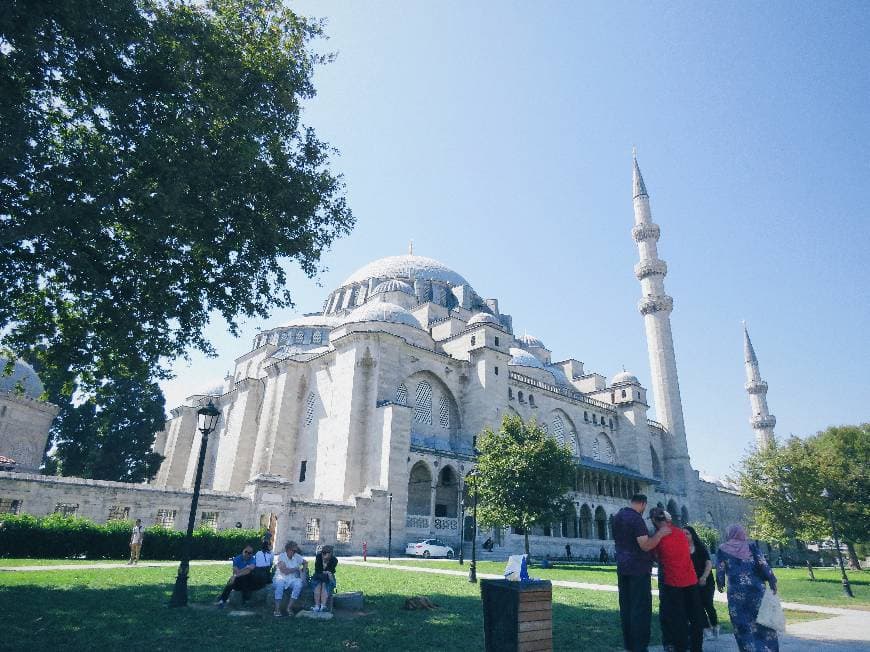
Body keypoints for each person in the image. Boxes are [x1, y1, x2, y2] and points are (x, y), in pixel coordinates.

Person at [612, 494, 672, 652]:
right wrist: (660, 534)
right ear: (643, 504)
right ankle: (639, 647)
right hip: (638, 569)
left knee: (626, 607)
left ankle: (629, 646)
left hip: (622, 568)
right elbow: (645, 545)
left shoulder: (618, 516)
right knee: (640, 608)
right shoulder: (636, 519)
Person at [716, 525, 779, 652]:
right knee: (763, 622)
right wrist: (772, 580)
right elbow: (763, 564)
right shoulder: (751, 546)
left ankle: (748, 649)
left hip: (736, 592)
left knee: (742, 624)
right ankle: (767, 649)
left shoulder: (723, 549)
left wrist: (720, 582)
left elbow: (720, 568)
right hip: (756, 589)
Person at [649, 508, 704, 652]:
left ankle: (680, 647)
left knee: (678, 618)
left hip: (673, 582)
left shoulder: (658, 538)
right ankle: (697, 648)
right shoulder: (680, 533)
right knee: (695, 616)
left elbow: (655, 557)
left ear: (654, 521)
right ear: (668, 519)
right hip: (691, 580)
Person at [684, 525, 718, 639]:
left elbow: (708, 563)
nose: (685, 536)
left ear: (692, 535)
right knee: (698, 606)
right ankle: (706, 629)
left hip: (706, 579)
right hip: (692, 581)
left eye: (687, 534)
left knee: (708, 604)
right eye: (683, 534)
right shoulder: (682, 548)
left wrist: (704, 577)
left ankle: (715, 625)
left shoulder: (700, 547)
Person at [273, 540, 308, 617]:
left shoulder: (297, 556)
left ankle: (289, 608)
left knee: (298, 584)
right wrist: (296, 569)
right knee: (280, 583)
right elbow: (284, 571)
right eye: (294, 550)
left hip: (292, 578)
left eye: (296, 550)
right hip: (280, 576)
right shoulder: (282, 556)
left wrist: (303, 571)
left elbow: (305, 562)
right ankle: (277, 609)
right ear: (288, 550)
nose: (295, 552)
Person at [310, 545, 338, 612]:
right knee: (318, 585)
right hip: (318, 576)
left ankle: (323, 606)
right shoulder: (318, 557)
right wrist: (325, 570)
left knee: (325, 584)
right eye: (323, 552)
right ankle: (317, 606)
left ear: (330, 553)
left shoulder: (334, 560)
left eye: (326, 553)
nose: (323, 554)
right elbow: (317, 569)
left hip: (328, 577)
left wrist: (325, 561)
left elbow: (330, 570)